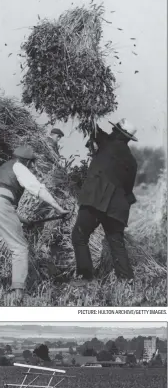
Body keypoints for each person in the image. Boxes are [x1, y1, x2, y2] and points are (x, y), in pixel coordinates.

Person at [0, 145, 68, 302]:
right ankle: (18, 292)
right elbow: (37, 188)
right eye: (32, 164)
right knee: (20, 248)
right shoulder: (20, 167)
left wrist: (22, 220)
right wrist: (58, 208)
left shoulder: (1, 168)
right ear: (28, 162)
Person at [71, 119, 138, 283]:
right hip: (118, 207)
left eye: (114, 129)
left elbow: (91, 126)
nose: (112, 131)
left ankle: (85, 277)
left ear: (118, 133)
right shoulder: (132, 161)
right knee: (116, 243)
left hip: (97, 200)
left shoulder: (108, 143)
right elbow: (128, 189)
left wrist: (87, 110)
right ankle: (127, 279)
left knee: (79, 236)